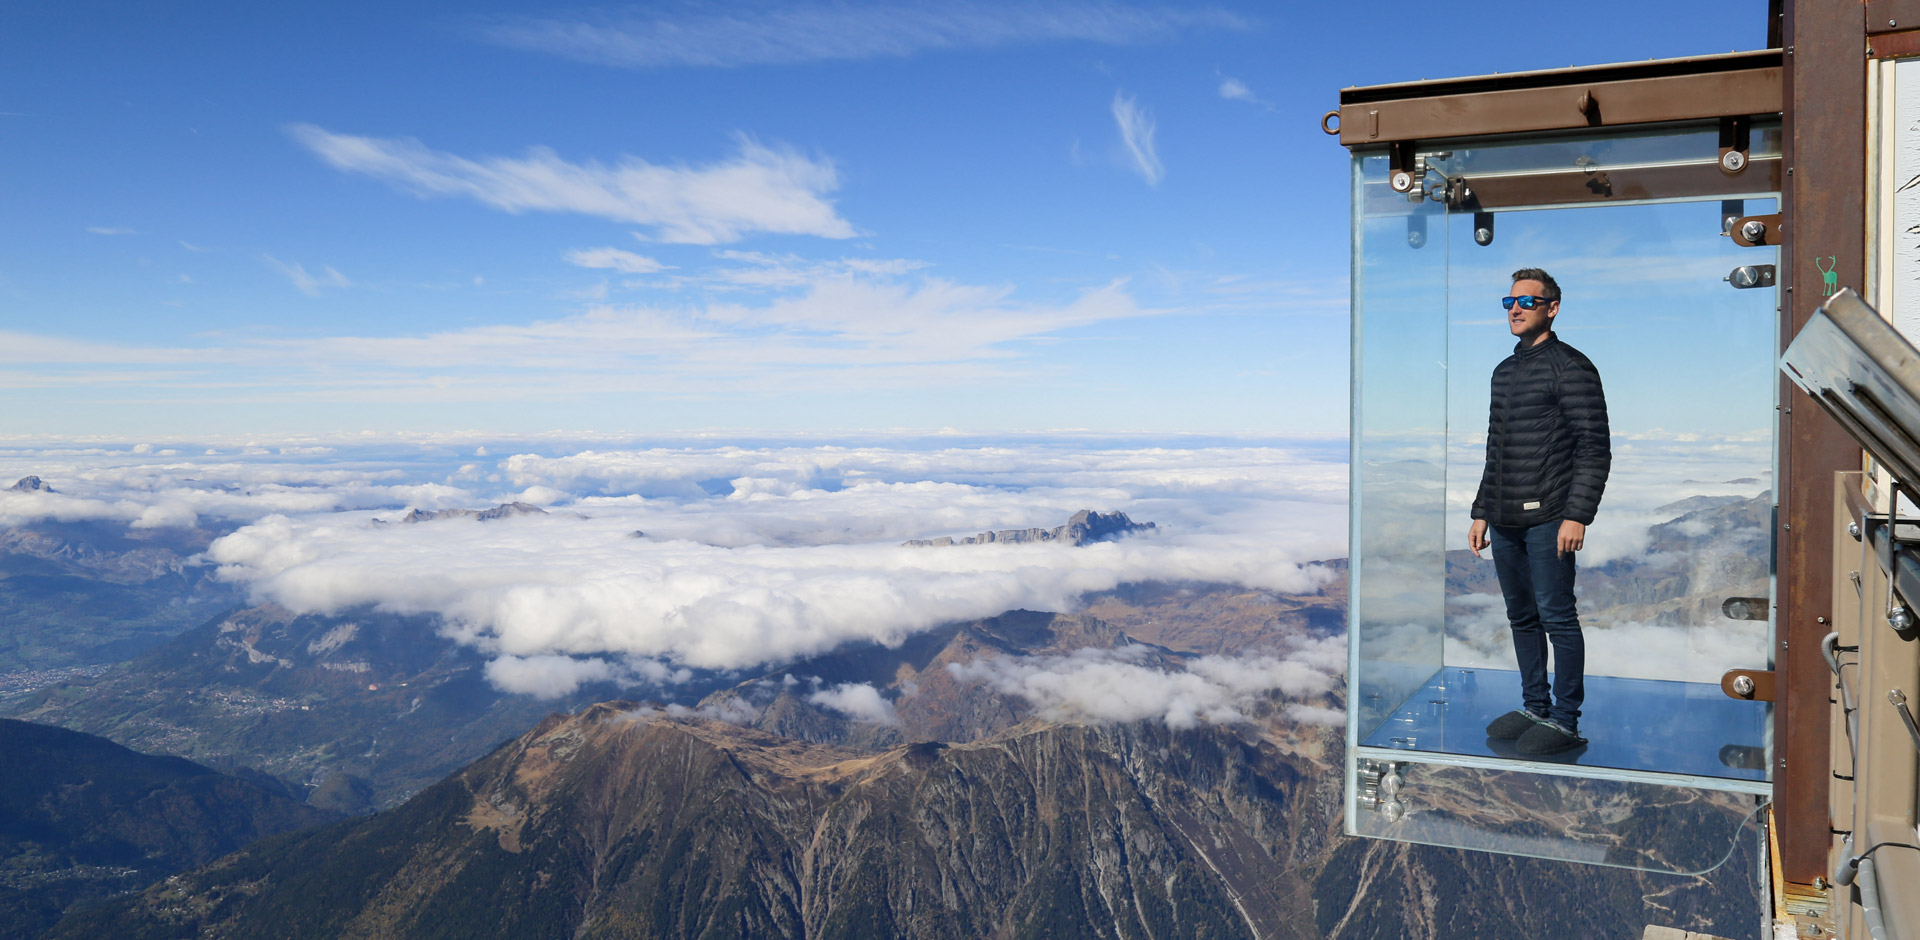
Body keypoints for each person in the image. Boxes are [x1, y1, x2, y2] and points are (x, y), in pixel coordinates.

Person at [1469, 268, 1610, 755]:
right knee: (1521, 616)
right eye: (1509, 300)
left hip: (1551, 515)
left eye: (1527, 301)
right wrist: (1482, 510)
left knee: (1557, 617)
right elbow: (1497, 448)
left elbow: (1594, 447)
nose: (1515, 308)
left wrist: (1578, 515)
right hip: (1505, 518)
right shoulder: (1503, 371)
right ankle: (1535, 706)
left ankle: (1566, 719)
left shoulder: (1571, 367)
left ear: (1552, 307)